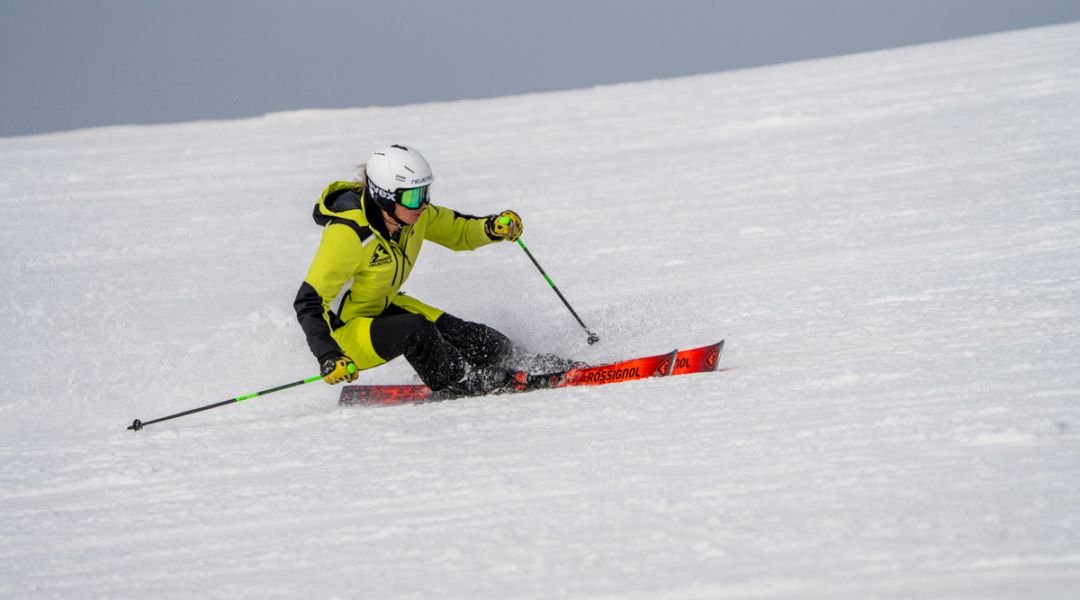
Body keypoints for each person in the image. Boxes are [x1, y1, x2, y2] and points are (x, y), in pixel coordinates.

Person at [294, 144, 531, 397]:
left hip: (381, 307)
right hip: (344, 334)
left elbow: (458, 231)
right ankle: (461, 381)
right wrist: (329, 355)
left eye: (424, 192)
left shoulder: (412, 216)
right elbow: (308, 302)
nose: (422, 203)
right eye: (412, 196)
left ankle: (529, 364)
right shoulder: (348, 234)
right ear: (383, 195)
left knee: (473, 337)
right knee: (416, 331)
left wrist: (491, 228)